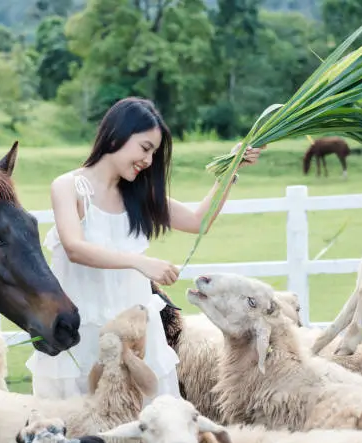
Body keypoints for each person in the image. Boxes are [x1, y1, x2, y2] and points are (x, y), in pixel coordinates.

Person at [25, 97, 263, 403]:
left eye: (154, 152)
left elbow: (197, 220)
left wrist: (231, 169)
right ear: (116, 135)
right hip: (80, 336)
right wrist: (140, 263)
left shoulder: (138, 195)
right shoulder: (68, 186)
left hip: (136, 339)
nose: (149, 161)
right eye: (145, 148)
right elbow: (74, 248)